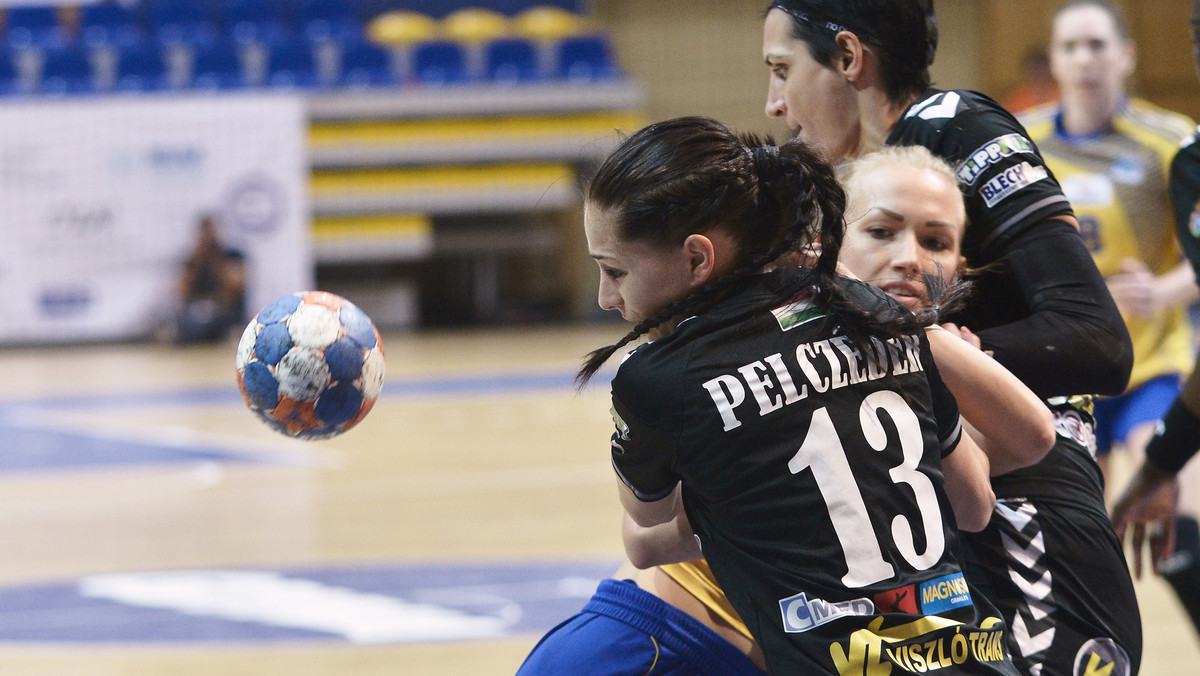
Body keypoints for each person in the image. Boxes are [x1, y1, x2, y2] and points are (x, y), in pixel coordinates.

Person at [517, 143, 1057, 675]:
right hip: (970, 655)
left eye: (614, 272)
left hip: (733, 637)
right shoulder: (894, 324)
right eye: (882, 231)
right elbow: (986, 488)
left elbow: (643, 533)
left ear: (699, 257)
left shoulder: (663, 376)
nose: (605, 299)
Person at [753, 2, 1143, 674]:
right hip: (943, 535)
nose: (775, 103)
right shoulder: (851, 189)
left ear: (848, 59)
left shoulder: (951, 124)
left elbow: (1096, 339)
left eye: (783, 70)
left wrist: (938, 352)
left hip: (1030, 524)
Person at [1110, 0, 1200, 639]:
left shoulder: (1168, 143)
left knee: (1174, 532)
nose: (1084, 61)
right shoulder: (1027, 140)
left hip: (1156, 369)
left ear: (1127, 55)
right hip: (1075, 377)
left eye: (1097, 45)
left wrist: (1164, 290)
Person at [172, 213, 247, 344]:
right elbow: (181, 291)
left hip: (224, 309)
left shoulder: (231, 255)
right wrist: (197, 262)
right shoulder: (193, 259)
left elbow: (236, 287)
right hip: (197, 310)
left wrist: (216, 262)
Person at [1001, 47, 1059, 115]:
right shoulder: (1016, 99)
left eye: (1044, 67)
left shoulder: (1063, 93)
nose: (1040, 72)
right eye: (1036, 68)